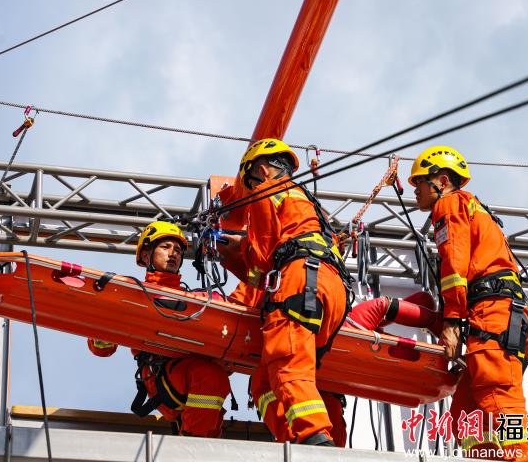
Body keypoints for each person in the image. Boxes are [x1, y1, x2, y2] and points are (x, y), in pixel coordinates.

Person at [218, 138, 352, 446]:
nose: (250, 188)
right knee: (264, 382)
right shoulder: (306, 202)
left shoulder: (266, 190)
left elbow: (264, 258)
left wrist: (237, 253)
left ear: (262, 170)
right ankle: (295, 439)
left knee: (289, 362)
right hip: (332, 288)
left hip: (300, 279)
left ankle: (314, 440)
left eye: (249, 181)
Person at [409, 145, 528, 461]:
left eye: (419, 183)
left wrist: (452, 322)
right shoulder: (471, 206)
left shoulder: (449, 205)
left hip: (494, 314)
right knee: (466, 414)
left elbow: (454, 265)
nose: (415, 191)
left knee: (498, 402)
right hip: (502, 315)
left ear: (440, 180)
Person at [88, 221, 231, 437]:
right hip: (162, 378)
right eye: (165, 247)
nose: (173, 254)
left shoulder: (195, 300)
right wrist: (105, 326)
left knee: (214, 376)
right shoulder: (132, 293)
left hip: (190, 379)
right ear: (146, 255)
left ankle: (198, 440)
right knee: (210, 376)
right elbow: (101, 349)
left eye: (178, 251)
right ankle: (194, 445)